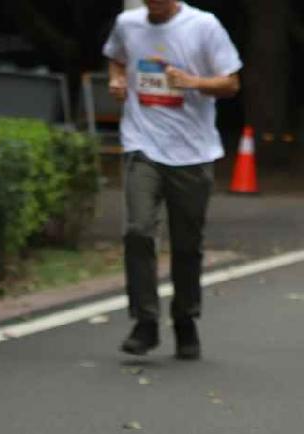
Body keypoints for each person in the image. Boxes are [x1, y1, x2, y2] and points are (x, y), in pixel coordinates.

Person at [104, 0, 241, 359]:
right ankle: (145, 322)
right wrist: (117, 79)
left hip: (192, 153)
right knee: (138, 231)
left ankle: (185, 320)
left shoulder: (204, 25)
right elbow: (117, 57)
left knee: (186, 244)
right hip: (142, 144)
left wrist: (192, 81)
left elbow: (230, 83)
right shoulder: (128, 23)